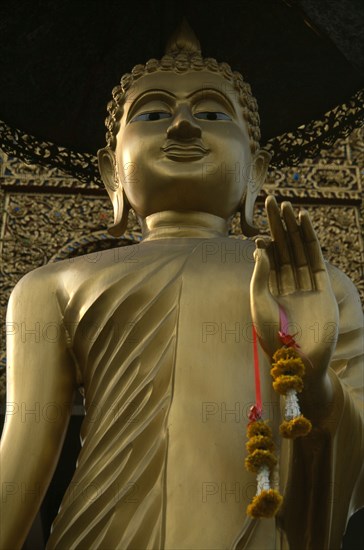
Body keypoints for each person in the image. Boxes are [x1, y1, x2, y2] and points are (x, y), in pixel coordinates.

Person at [0, 21, 363, 550]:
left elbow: (350, 460)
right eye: (152, 113)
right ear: (110, 176)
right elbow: (19, 463)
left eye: (213, 113)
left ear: (256, 174)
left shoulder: (309, 282)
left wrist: (312, 377)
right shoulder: (51, 286)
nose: (183, 127)